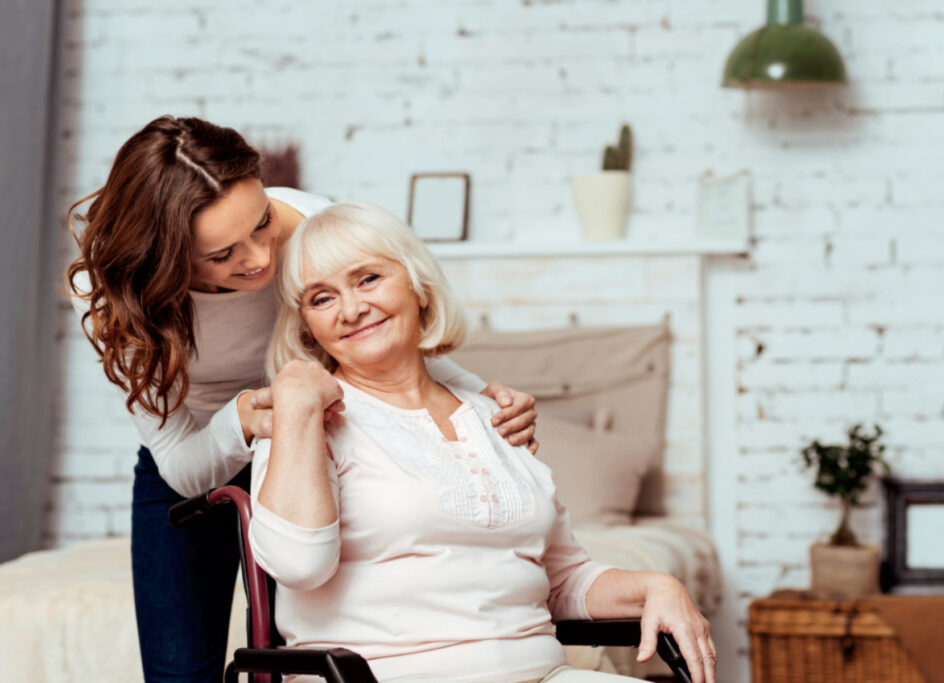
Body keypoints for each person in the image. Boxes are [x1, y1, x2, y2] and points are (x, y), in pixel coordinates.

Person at [65, 116, 540, 683]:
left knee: (307, 647)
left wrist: (479, 399)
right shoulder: (108, 293)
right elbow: (183, 465)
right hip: (197, 449)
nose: (260, 259)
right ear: (163, 256)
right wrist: (238, 423)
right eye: (222, 255)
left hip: (318, 437)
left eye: (262, 222)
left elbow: (381, 332)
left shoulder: (314, 223)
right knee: (177, 671)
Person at [251, 202, 717, 683]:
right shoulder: (304, 421)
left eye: (368, 279)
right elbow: (297, 565)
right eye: (322, 299)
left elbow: (561, 577)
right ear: (306, 324)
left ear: (419, 285)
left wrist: (656, 587)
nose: (351, 309)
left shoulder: (496, 417)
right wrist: (298, 406)